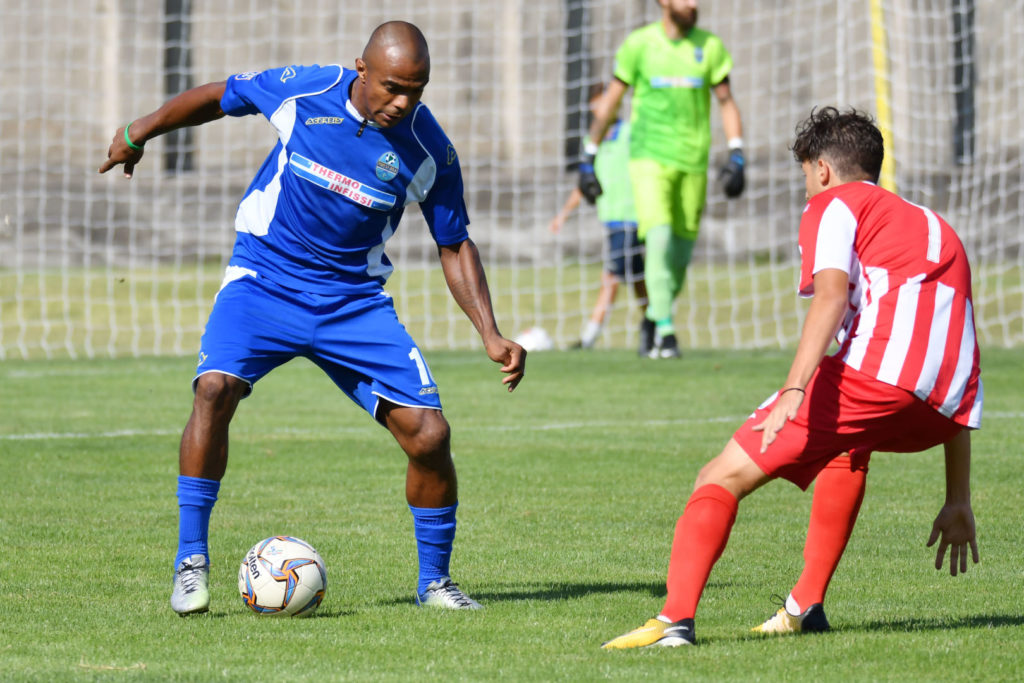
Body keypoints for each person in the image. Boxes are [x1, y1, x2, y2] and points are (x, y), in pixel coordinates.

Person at [98, 21, 526, 616]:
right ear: (361, 70)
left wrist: (489, 331)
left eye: (417, 91)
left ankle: (436, 583)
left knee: (431, 437)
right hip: (264, 282)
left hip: (353, 302)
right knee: (213, 388)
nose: (402, 102)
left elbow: (453, 243)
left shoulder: (428, 149)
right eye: (392, 86)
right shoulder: (303, 92)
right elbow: (221, 96)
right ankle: (191, 562)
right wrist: (138, 130)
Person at [602, 106, 982, 648]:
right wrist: (958, 497)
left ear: (822, 169)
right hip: (947, 403)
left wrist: (795, 388)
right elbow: (947, 352)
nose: (806, 187)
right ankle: (805, 607)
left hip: (876, 378)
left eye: (805, 173)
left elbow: (831, 296)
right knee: (846, 449)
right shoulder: (934, 225)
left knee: (718, 476)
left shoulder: (833, 207)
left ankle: (674, 621)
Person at [579, 0, 745, 359]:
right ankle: (666, 334)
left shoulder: (710, 47)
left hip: (693, 163)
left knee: (680, 257)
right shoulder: (639, 45)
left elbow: (727, 101)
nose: (694, 4)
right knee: (659, 234)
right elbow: (610, 102)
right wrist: (589, 155)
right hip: (648, 159)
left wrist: (737, 152)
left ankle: (653, 317)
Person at [550, 84, 647, 351]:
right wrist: (563, 215)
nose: (600, 107)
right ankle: (658, 326)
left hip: (633, 217)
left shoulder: (631, 134)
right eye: (595, 103)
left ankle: (589, 337)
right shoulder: (592, 143)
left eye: (604, 101)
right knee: (638, 280)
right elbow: (584, 183)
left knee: (611, 277)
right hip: (612, 219)